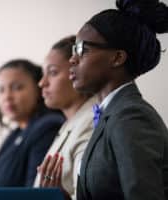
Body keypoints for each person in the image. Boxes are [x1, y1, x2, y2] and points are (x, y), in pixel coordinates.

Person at [67, 0, 168, 199]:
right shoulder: (111, 113)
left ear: (117, 58)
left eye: (82, 49)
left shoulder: (131, 117)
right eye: (73, 50)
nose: (72, 59)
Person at [0, 59, 65, 187]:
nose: (7, 96)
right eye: (1, 90)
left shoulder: (48, 127)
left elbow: (35, 192)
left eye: (17, 88)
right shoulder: (16, 133)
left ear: (39, 89)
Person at [33, 36, 97, 200]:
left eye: (53, 72)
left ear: (78, 72)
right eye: (43, 74)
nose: (42, 83)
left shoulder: (92, 122)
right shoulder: (71, 122)